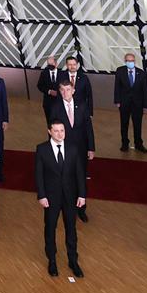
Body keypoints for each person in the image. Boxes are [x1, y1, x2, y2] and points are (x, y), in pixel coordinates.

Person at [34, 121, 85, 277]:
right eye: (56, 131)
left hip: (70, 197)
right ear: (49, 131)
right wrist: (41, 195)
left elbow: (79, 174)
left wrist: (82, 195)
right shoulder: (42, 149)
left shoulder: (73, 148)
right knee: (50, 228)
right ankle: (52, 261)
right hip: (50, 197)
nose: (60, 134)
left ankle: (73, 260)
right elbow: (39, 175)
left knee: (71, 229)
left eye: (62, 130)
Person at [48, 80, 94, 221]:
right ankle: (69, 208)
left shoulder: (82, 105)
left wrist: (91, 148)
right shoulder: (55, 107)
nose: (65, 92)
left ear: (73, 90)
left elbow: (88, 128)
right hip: (64, 149)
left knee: (81, 177)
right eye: (62, 90)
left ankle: (81, 209)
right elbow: (52, 130)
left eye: (68, 89)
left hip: (80, 149)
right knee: (67, 179)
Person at [112, 52, 147, 153]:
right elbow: (117, 87)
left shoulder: (141, 73)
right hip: (124, 103)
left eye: (132, 61)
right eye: (128, 61)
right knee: (124, 124)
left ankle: (138, 144)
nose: (130, 62)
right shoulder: (120, 71)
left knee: (137, 125)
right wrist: (117, 101)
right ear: (125, 61)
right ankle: (125, 143)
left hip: (138, 104)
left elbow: (145, 91)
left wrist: (146, 106)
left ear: (135, 61)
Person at [37, 55, 62, 119]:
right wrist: (49, 91)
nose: (50, 66)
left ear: (56, 64)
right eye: (49, 64)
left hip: (60, 102)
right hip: (48, 103)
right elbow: (39, 86)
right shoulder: (44, 73)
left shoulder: (63, 74)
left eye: (52, 64)